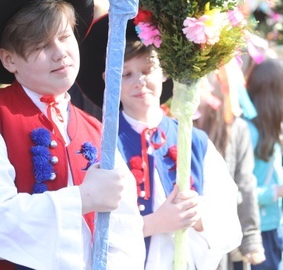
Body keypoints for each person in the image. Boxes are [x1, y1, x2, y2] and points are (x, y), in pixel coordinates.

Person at [0, 0, 145, 270]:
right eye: (42, 45)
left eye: (64, 37)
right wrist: (82, 199)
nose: (60, 53)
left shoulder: (97, 129)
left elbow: (124, 231)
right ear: (9, 59)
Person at [76, 14, 243, 270]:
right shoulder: (102, 144)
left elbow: (227, 214)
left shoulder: (194, 140)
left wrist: (198, 218)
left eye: (147, 69)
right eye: (126, 74)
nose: (139, 82)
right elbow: (89, 223)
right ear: (109, 80)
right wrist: (155, 223)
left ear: (164, 70)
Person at [194, 62, 265, 269]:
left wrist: (251, 239)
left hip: (219, 234)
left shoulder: (237, 128)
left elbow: (245, 183)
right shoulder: (178, 124)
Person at [245, 58, 283, 270]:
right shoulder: (249, 132)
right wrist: (275, 191)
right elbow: (240, 192)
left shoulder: (272, 130)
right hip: (257, 233)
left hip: (275, 226)